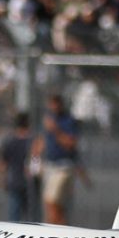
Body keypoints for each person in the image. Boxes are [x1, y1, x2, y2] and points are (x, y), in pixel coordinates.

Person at [40, 91, 83, 224]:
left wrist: (55, 130)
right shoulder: (50, 119)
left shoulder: (68, 121)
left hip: (63, 167)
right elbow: (43, 141)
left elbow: (70, 144)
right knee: (52, 205)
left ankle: (60, 232)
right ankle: (54, 231)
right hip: (50, 165)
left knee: (52, 202)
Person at [0, 110, 35, 223]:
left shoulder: (10, 141)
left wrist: (1, 179)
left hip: (14, 180)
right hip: (30, 181)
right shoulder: (33, 141)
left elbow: (2, 163)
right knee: (31, 216)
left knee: (15, 215)